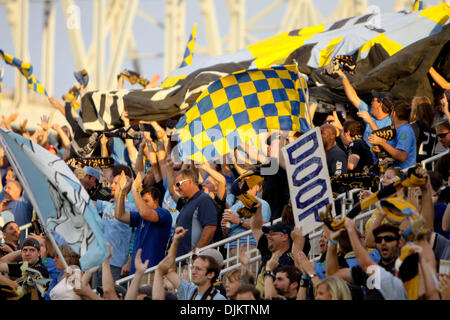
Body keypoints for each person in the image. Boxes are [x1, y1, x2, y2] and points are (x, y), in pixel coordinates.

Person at [114, 173, 172, 275]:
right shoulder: (140, 218)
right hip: (136, 272)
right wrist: (122, 192)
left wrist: (135, 190)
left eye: (146, 201)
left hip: (151, 271)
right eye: (142, 201)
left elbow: (145, 213)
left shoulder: (164, 214)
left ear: (156, 200)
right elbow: (120, 215)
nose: (143, 204)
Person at [156, 227, 227, 300]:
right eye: (193, 267)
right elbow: (169, 270)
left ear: (211, 274)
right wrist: (176, 241)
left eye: (198, 269)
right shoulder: (190, 290)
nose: (193, 272)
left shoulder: (218, 297)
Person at [92, 166, 135, 287]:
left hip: (117, 263)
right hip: (99, 260)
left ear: (125, 186)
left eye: (116, 183)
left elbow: (135, 235)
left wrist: (129, 261)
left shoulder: (132, 208)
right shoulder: (107, 205)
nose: (111, 185)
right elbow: (88, 203)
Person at [335, 67, 393, 145]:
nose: (371, 103)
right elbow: (353, 98)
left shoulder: (390, 122)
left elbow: (383, 142)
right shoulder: (369, 112)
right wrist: (343, 76)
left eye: (373, 100)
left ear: (380, 104)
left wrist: (370, 121)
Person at [171, 168, 218, 258]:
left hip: (193, 262)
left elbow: (210, 228)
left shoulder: (204, 200)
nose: (176, 189)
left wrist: (196, 251)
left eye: (178, 184)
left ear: (190, 181)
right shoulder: (186, 204)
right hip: (181, 262)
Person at [369, 102, 417, 170]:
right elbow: (392, 152)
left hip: (403, 174)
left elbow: (402, 156)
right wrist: (379, 149)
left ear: (394, 114)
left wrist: (382, 142)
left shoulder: (405, 130)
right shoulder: (398, 130)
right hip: (393, 173)